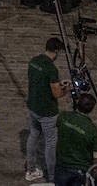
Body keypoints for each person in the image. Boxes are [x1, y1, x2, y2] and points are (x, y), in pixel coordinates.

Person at [25, 37, 67, 182]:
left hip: (33, 107)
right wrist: (65, 89)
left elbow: (38, 81)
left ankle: (30, 170)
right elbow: (56, 94)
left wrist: (56, 84)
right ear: (56, 51)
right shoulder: (51, 68)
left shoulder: (33, 61)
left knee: (33, 136)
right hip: (47, 112)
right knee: (50, 144)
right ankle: (52, 176)